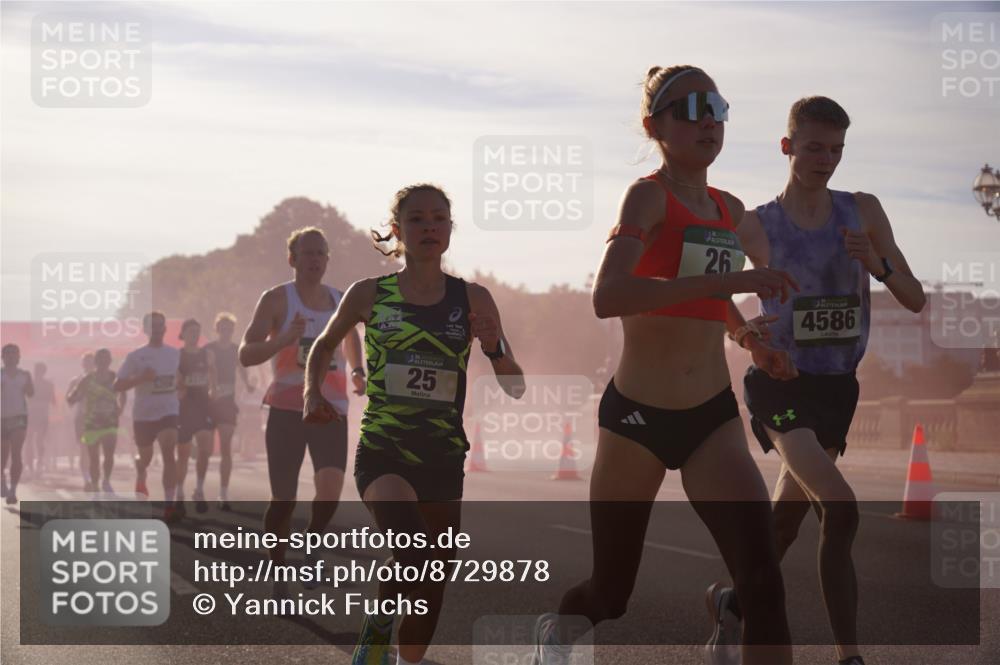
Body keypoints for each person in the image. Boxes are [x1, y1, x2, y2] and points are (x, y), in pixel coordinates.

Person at [532, 65, 800, 665]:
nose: (708, 120)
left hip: (711, 417)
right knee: (611, 593)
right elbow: (611, 296)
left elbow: (710, 297)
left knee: (763, 582)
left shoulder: (728, 210)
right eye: (691, 108)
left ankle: (731, 624)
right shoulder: (648, 195)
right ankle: (557, 634)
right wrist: (732, 277)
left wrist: (750, 339)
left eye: (718, 107)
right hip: (637, 421)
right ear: (655, 125)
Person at [713, 96, 926, 665]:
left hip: (838, 387)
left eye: (836, 150)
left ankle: (731, 605)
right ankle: (849, 655)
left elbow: (914, 297)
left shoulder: (862, 211)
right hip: (781, 384)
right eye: (813, 147)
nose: (825, 160)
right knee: (842, 507)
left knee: (784, 525)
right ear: (787, 147)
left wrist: (876, 264)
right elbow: (709, 290)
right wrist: (749, 340)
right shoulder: (757, 225)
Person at [303, 183, 525, 665]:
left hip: (443, 455)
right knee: (414, 553)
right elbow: (323, 347)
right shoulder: (369, 294)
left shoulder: (474, 298)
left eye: (439, 218)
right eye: (418, 219)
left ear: (450, 228)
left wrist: (494, 347)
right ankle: (380, 624)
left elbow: (515, 385)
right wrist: (311, 392)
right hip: (384, 449)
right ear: (399, 230)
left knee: (433, 578)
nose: (429, 227)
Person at [239, 226, 364, 598]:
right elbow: (246, 354)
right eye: (307, 253)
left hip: (331, 409)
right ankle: (278, 568)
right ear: (292, 259)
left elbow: (352, 336)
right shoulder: (277, 300)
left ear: (328, 259)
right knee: (284, 499)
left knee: (330, 488)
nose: (315, 260)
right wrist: (282, 340)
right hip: (286, 409)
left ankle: (312, 548)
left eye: (321, 253)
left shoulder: (340, 300)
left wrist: (357, 370)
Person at [114, 311, 184, 522]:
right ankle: (141, 471)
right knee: (145, 458)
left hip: (168, 411)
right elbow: (118, 385)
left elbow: (180, 379)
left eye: (160, 325)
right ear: (145, 330)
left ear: (165, 329)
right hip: (144, 415)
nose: (157, 329)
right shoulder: (135, 356)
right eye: (152, 326)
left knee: (169, 450)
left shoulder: (174, 354)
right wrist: (141, 378)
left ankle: (169, 505)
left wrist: (182, 388)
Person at [206, 312, 255, 510]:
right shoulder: (208, 349)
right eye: (222, 328)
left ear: (233, 331)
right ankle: (199, 488)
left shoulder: (236, 350)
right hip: (208, 404)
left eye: (229, 329)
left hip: (227, 403)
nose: (226, 332)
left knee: (226, 447)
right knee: (205, 449)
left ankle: (223, 493)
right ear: (216, 329)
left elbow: (242, 369)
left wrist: (247, 384)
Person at [67, 348, 125, 493]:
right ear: (96, 361)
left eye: (106, 359)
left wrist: (121, 407)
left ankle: (106, 481)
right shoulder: (87, 379)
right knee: (93, 458)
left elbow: (123, 393)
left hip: (110, 421)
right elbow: (73, 396)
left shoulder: (115, 377)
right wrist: (73, 397)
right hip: (92, 423)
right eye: (100, 359)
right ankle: (95, 484)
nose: (103, 362)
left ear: (110, 361)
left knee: (109, 454)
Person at [176, 318, 216, 513]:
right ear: (183, 334)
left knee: (205, 448)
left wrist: (213, 392)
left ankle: (199, 490)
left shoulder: (207, 355)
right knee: (182, 455)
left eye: (197, 331)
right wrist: (180, 386)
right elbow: (176, 381)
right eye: (191, 331)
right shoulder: (177, 356)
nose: (194, 335)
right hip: (184, 409)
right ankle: (179, 494)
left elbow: (213, 377)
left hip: (203, 407)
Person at [1, 344, 34, 504]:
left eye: (14, 354)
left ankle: (13, 490)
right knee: (2, 454)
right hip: (1, 417)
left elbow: (31, 393)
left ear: (19, 357)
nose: (11, 357)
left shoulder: (25, 374)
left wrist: (28, 386)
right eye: (7, 354)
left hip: (19, 417)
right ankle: (2, 479)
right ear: (3, 357)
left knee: (16, 453)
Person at [66, 352, 96, 486]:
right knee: (84, 448)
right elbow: (69, 400)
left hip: (98, 418)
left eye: (90, 362)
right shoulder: (76, 380)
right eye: (85, 362)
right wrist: (79, 393)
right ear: (82, 364)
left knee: (95, 449)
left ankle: (93, 477)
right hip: (82, 417)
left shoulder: (101, 378)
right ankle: (87, 479)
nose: (88, 364)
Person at [26, 362, 56, 476]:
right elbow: (53, 401)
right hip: (42, 415)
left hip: (31, 414)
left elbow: (24, 397)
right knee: (39, 440)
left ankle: (32, 465)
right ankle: (38, 463)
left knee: (30, 440)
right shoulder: (49, 384)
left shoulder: (29, 383)